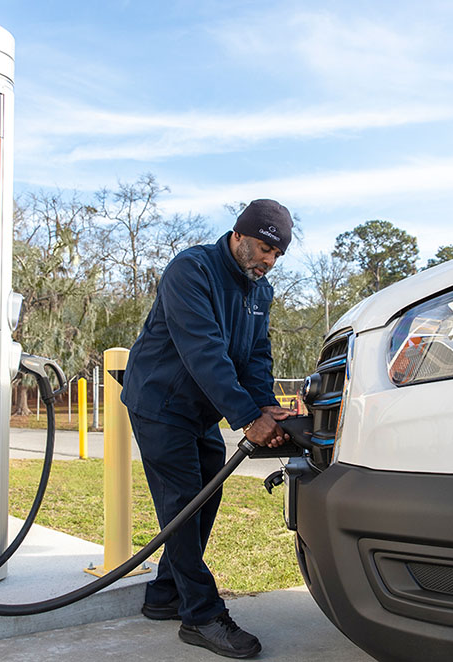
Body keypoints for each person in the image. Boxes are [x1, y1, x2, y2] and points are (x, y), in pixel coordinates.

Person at [121, 199, 295, 658]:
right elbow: (204, 350)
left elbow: (257, 358)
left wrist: (267, 409)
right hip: (159, 402)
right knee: (182, 503)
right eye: (263, 249)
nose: (269, 262)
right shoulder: (191, 270)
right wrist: (245, 416)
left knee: (206, 496)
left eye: (278, 255)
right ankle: (201, 616)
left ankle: (164, 596)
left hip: (199, 410)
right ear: (239, 235)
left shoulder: (261, 293)